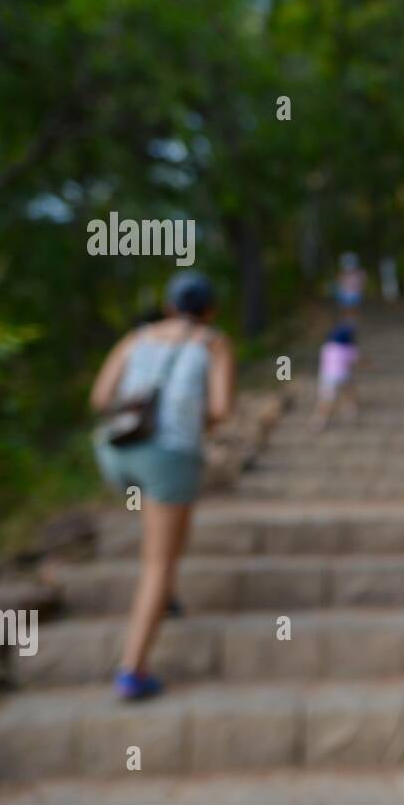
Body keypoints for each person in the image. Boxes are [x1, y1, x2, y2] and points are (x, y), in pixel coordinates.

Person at [89, 271, 235, 700]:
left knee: (167, 519)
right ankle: (132, 670)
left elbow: (100, 398)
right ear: (210, 310)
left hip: (116, 453)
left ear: (171, 306)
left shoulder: (135, 338)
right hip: (169, 457)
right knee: (159, 560)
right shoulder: (213, 341)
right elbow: (222, 408)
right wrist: (193, 421)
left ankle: (166, 598)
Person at [311, 323, 359, 431]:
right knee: (349, 391)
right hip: (343, 376)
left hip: (327, 376)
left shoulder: (326, 347)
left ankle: (319, 421)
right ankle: (350, 411)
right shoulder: (349, 348)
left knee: (326, 399)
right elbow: (354, 361)